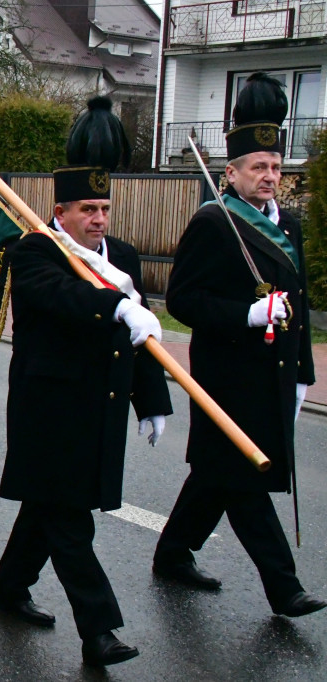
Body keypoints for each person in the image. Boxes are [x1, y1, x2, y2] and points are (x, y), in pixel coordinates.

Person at [0, 97, 171, 668]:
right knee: (70, 520)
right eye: (86, 209)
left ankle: (9, 588)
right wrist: (116, 304)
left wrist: (152, 400)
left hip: (102, 406)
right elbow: (61, 299)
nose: (98, 219)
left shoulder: (122, 257)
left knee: (49, 507)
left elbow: (137, 336)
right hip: (50, 408)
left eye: (104, 208)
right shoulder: (36, 250)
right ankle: (99, 632)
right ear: (60, 210)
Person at [153, 73, 324, 619]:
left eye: (275, 167)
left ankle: (173, 552)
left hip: (272, 375)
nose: (270, 176)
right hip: (226, 374)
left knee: (214, 475)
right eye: (258, 168)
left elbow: (295, 306)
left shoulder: (289, 225)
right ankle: (284, 587)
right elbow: (181, 298)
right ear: (231, 173)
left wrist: (302, 375)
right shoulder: (214, 222)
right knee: (244, 476)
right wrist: (244, 315)